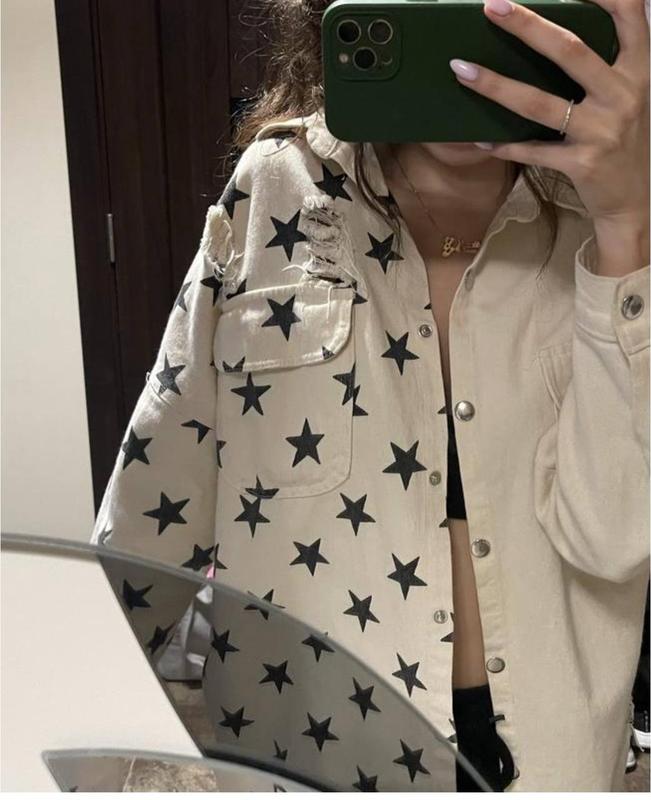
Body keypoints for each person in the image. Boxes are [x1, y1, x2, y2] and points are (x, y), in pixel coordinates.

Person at [90, 0, 650, 791]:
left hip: (553, 762)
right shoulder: (277, 190)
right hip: (313, 756)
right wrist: (88, 753)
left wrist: (626, 226)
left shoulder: (615, 214)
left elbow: (615, 538)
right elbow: (155, 506)